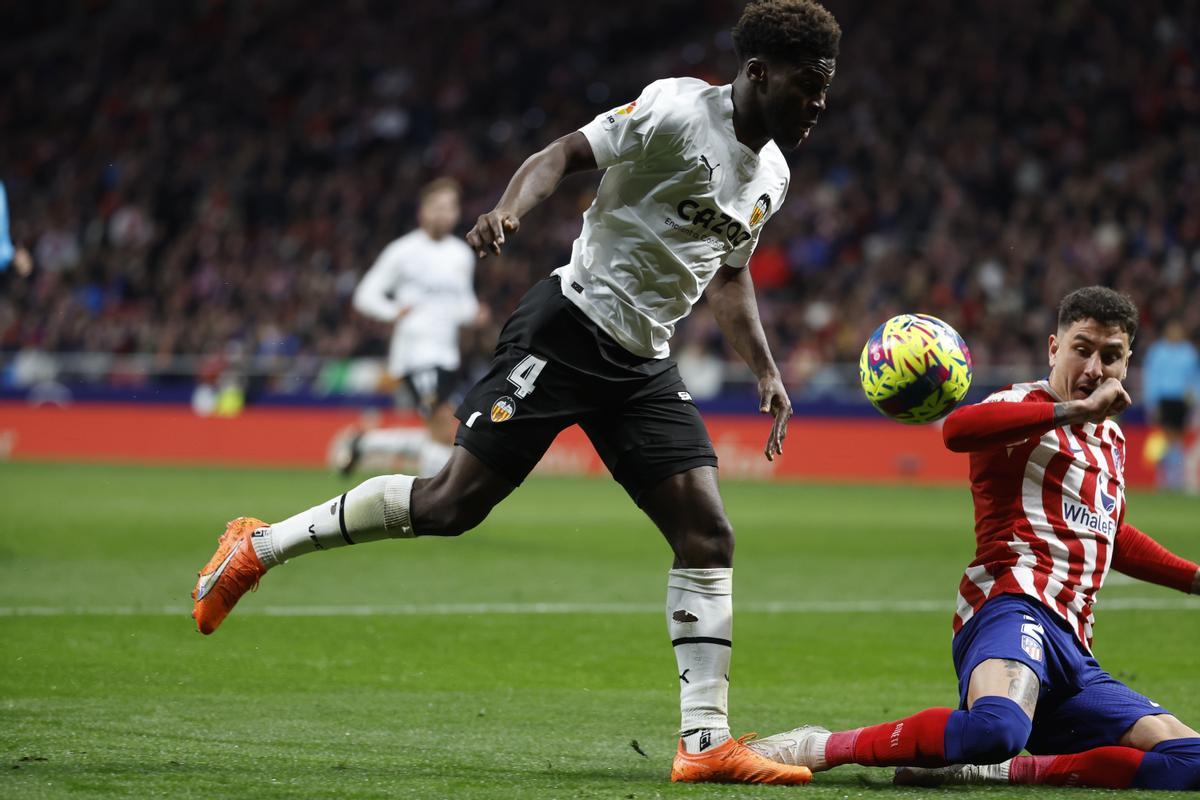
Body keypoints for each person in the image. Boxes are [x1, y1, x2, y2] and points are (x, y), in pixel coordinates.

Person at [190, 0, 841, 785]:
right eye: (808, 86)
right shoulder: (676, 109)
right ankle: (256, 548)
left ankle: (703, 743)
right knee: (449, 506)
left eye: (826, 90)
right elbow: (566, 153)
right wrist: (508, 208)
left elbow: (730, 277)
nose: (818, 105)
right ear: (759, 73)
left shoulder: (772, 175)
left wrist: (766, 371)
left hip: (641, 365)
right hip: (567, 327)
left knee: (708, 535)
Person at [749, 287, 1200, 790]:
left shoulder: (1111, 441)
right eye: (1082, 349)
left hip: (1075, 650)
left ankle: (1003, 770)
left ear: (1127, 362)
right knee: (997, 726)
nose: (1095, 368)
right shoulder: (1021, 405)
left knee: (1191, 758)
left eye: (1110, 356)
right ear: (1054, 348)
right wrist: (1074, 412)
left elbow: (1111, 536)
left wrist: (1195, 580)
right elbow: (958, 429)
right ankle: (818, 746)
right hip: (1010, 609)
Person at [332, 177, 485, 478]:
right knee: (443, 427)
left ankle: (365, 443)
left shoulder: (461, 254)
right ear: (422, 211)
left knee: (441, 433)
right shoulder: (402, 252)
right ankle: (437, 497)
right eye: (437, 207)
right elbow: (365, 294)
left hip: (448, 355)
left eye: (451, 207)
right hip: (416, 353)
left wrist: (473, 314)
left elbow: (462, 304)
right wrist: (393, 312)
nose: (444, 214)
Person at [1142, 319, 1199, 491]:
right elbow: (1151, 377)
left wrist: (1195, 400)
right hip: (1163, 399)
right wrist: (1151, 402)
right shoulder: (1157, 351)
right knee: (1165, 437)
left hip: (1181, 400)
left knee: (1178, 438)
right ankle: (1163, 477)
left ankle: (1177, 478)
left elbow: (1195, 378)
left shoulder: (1188, 353)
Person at [0, 181, 33, 277]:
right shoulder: (9, 244)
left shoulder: (4, 256)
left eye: (23, 264)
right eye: (27, 258)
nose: (24, 257)